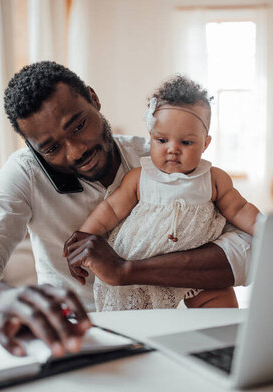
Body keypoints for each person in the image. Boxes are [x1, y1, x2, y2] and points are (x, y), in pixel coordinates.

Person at [0, 61, 252, 357]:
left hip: (172, 335)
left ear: (94, 99)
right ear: (32, 148)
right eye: (51, 148)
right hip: (78, 340)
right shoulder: (24, 174)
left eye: (78, 126)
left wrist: (125, 271)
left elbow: (249, 249)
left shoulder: (159, 157)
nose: (76, 151)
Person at [64, 76, 259, 311]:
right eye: (162, 140)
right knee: (136, 312)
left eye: (186, 142)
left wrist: (268, 231)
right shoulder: (140, 177)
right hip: (141, 261)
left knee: (221, 306)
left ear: (205, 144)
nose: (173, 149)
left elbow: (239, 209)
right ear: (151, 138)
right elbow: (111, 209)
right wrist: (85, 236)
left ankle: (225, 343)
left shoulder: (214, 178)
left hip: (197, 266)